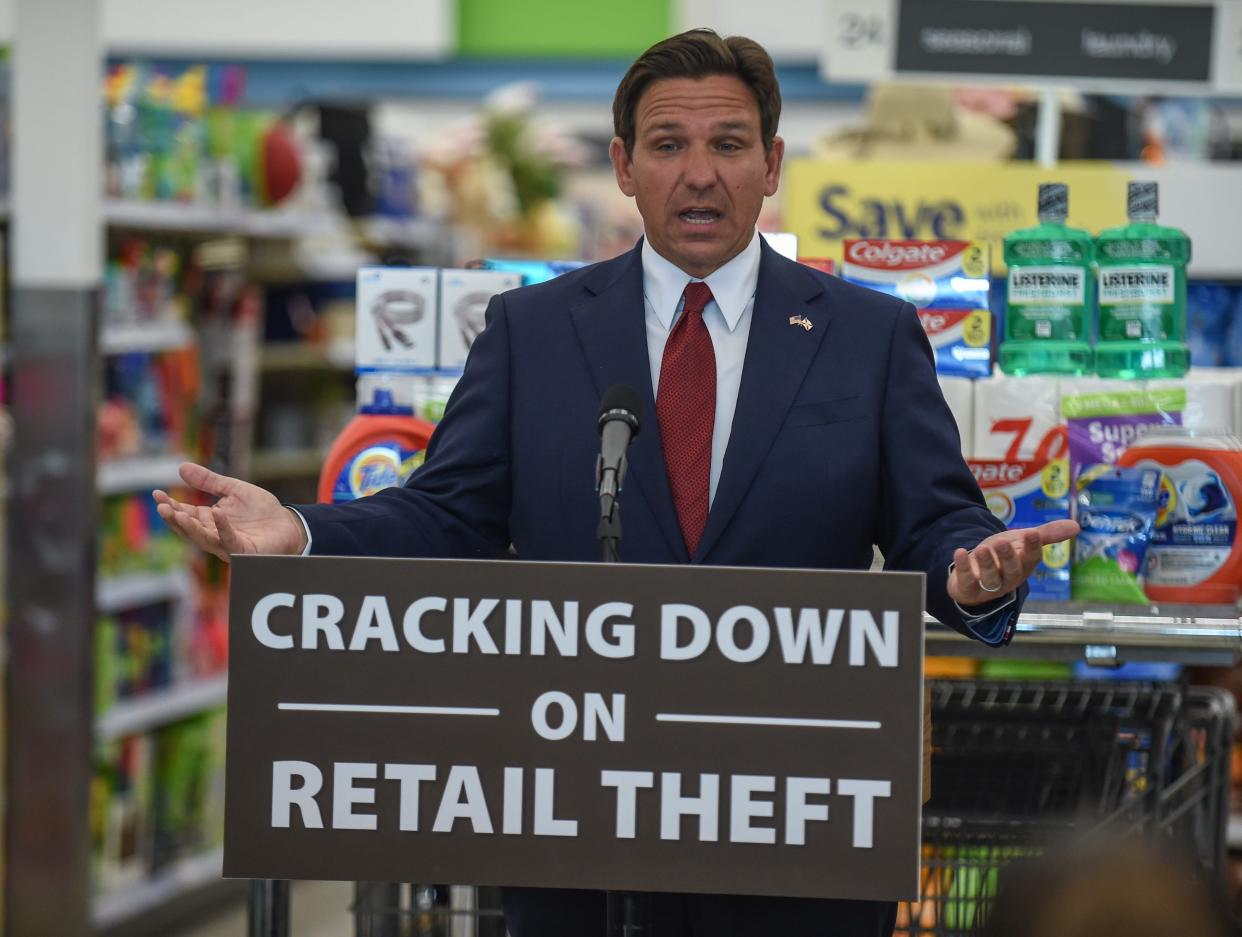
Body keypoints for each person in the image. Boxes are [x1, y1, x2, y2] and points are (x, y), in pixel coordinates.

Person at [155, 28, 1078, 937]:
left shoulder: (868, 336)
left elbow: (936, 521)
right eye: (669, 145)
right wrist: (302, 534)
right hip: (583, 820)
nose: (700, 172)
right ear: (625, 166)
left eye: (729, 144)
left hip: (797, 823)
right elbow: (448, 513)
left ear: (772, 163)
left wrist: (970, 573)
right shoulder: (532, 331)